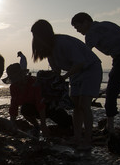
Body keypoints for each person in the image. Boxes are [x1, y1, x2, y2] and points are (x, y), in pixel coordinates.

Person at [31, 19, 102, 150]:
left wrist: (64, 77)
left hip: (90, 69)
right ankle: (77, 137)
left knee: (84, 104)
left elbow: (80, 63)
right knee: (76, 106)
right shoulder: (49, 49)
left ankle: (87, 139)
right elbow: (56, 70)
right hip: (75, 72)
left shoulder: (63, 42)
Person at [4, 63, 73, 137]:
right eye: (12, 79)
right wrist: (12, 124)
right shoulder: (14, 87)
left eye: (15, 78)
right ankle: (36, 126)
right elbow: (13, 106)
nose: (14, 81)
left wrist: (43, 124)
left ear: (21, 75)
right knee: (25, 109)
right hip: (33, 109)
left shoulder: (34, 83)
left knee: (67, 124)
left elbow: (40, 104)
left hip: (50, 107)